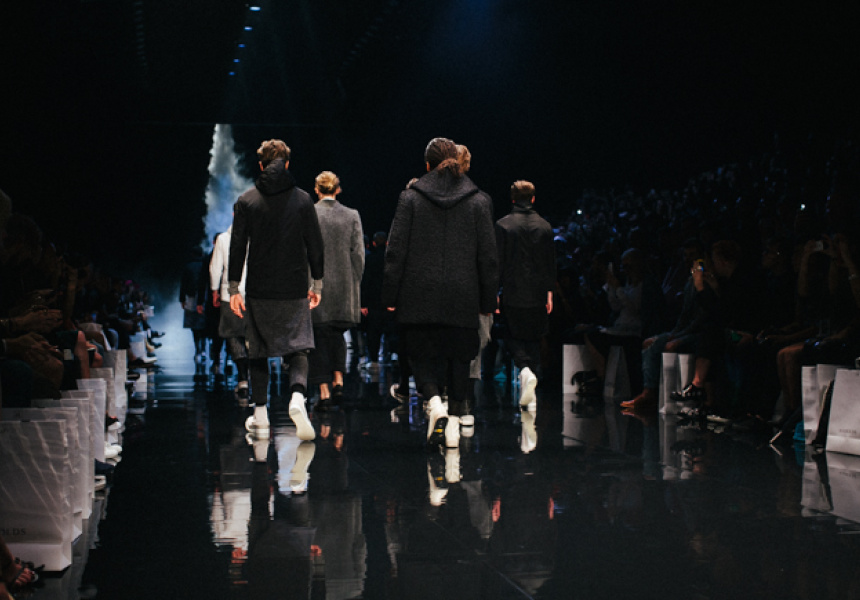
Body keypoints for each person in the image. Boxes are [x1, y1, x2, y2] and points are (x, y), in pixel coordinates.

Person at [382, 137, 498, 447]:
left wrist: (390, 296)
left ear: (427, 166)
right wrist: (488, 300)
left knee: (421, 355)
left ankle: (434, 403)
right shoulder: (479, 201)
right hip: (464, 293)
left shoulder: (410, 198)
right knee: (460, 358)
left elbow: (395, 253)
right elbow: (488, 257)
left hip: (418, 292)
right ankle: (455, 423)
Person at [228, 139, 324, 441]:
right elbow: (315, 244)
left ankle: (260, 416)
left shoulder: (247, 201)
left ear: (261, 165)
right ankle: (297, 397)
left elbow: (237, 246)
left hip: (260, 288)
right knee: (299, 347)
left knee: (258, 350)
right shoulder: (303, 200)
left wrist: (233, 287)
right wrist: (317, 283)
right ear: (287, 163)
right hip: (294, 286)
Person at [494, 180, 556, 410]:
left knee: (511, 335)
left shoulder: (503, 225)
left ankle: (525, 369)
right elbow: (550, 263)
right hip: (538, 291)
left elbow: (497, 263)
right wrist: (550, 292)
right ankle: (531, 388)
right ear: (533, 199)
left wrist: (494, 291)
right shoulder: (545, 226)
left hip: (512, 290)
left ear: (512, 199)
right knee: (534, 338)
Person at [308, 171, 364, 409]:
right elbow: (358, 255)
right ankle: (338, 380)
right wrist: (353, 283)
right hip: (343, 286)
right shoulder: (352, 215)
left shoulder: (309, 214)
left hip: (316, 286)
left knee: (319, 338)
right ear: (338, 189)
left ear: (316, 190)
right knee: (337, 334)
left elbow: (305, 253)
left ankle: (324, 393)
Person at [209, 215, 250, 404]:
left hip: (229, 295)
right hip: (253, 295)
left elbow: (215, 267)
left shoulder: (223, 239)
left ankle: (242, 379)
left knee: (233, 336)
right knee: (250, 336)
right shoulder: (257, 237)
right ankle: (249, 376)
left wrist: (214, 290)